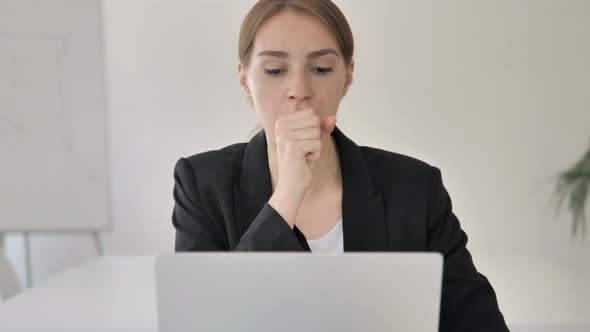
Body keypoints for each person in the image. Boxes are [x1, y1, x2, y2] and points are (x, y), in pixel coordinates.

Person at [171, 0, 509, 331]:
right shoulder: (201, 185)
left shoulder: (416, 189)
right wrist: (287, 194)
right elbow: (205, 320)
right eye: (275, 70)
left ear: (347, 76)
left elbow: (479, 322)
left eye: (321, 69)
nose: (299, 90)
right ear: (245, 79)